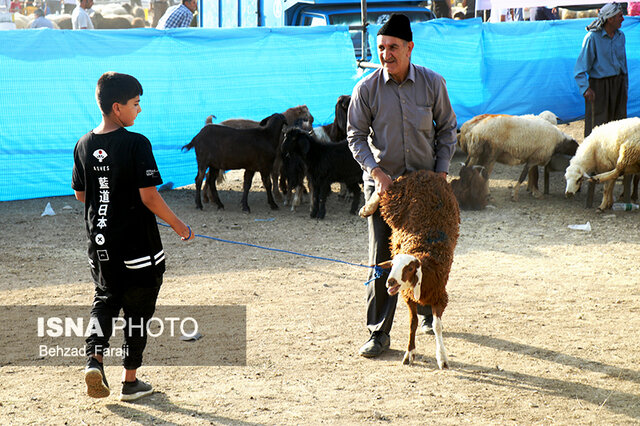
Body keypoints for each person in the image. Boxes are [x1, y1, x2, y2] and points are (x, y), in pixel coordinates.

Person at [72, 72, 194, 401]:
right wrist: (180, 225)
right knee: (138, 313)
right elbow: (150, 197)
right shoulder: (136, 143)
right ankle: (130, 381)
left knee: (104, 301)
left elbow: (82, 196)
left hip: (100, 246)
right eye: (136, 104)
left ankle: (94, 361)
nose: (139, 110)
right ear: (117, 107)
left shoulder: (83, 144)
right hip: (139, 248)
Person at [347, 13, 457, 358]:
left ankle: (425, 310)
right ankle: (378, 332)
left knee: (429, 252)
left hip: (425, 190)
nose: (385, 54)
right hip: (386, 190)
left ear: (409, 47)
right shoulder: (366, 89)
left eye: (392, 47)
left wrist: (440, 174)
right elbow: (355, 136)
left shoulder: (432, 83)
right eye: (381, 47)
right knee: (382, 256)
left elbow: (447, 129)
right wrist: (376, 172)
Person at [574, 2, 627, 138]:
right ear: (610, 19)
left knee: (618, 123)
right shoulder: (592, 38)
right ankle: (593, 157)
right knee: (598, 126)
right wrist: (585, 89)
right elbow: (579, 69)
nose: (623, 18)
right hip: (599, 87)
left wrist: (624, 84)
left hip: (618, 84)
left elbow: (623, 64)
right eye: (620, 16)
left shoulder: (620, 37)